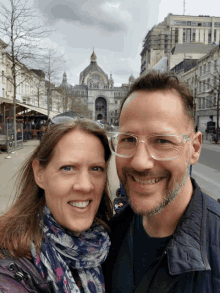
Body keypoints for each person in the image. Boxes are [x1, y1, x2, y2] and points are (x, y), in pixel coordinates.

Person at [104, 72, 220, 292]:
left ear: (194, 148)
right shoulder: (107, 237)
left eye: (162, 141)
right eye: (128, 139)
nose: (140, 162)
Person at [0, 118, 113, 292]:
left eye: (96, 168)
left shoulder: (108, 245)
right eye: (68, 168)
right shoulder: (9, 266)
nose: (85, 185)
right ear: (39, 174)